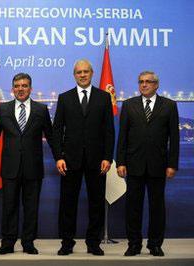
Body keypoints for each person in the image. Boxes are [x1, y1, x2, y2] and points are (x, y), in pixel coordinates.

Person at [53, 59, 115, 256]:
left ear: (92, 73)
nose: (82, 75)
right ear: (74, 75)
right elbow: (56, 131)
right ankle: (66, 242)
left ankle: (93, 243)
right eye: (79, 72)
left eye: (86, 71)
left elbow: (109, 131)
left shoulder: (104, 98)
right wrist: (58, 157)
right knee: (67, 204)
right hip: (69, 161)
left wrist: (108, 157)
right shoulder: (64, 98)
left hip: (97, 161)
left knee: (96, 203)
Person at [0, 73, 56, 255]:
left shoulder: (41, 110)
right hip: (10, 168)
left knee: (31, 207)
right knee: (9, 207)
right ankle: (7, 243)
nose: (21, 89)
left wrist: (60, 158)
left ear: (30, 88)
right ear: (12, 90)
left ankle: (28, 242)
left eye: (24, 85)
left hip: (33, 168)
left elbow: (51, 137)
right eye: (17, 86)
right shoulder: (3, 109)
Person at [116, 71, 179, 257]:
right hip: (133, 165)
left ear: (156, 85)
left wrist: (172, 164)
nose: (144, 85)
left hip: (158, 166)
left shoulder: (169, 105)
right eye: (141, 82)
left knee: (157, 208)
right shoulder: (128, 105)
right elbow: (123, 138)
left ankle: (155, 245)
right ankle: (134, 244)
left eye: (148, 82)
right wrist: (120, 162)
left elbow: (174, 139)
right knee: (133, 208)